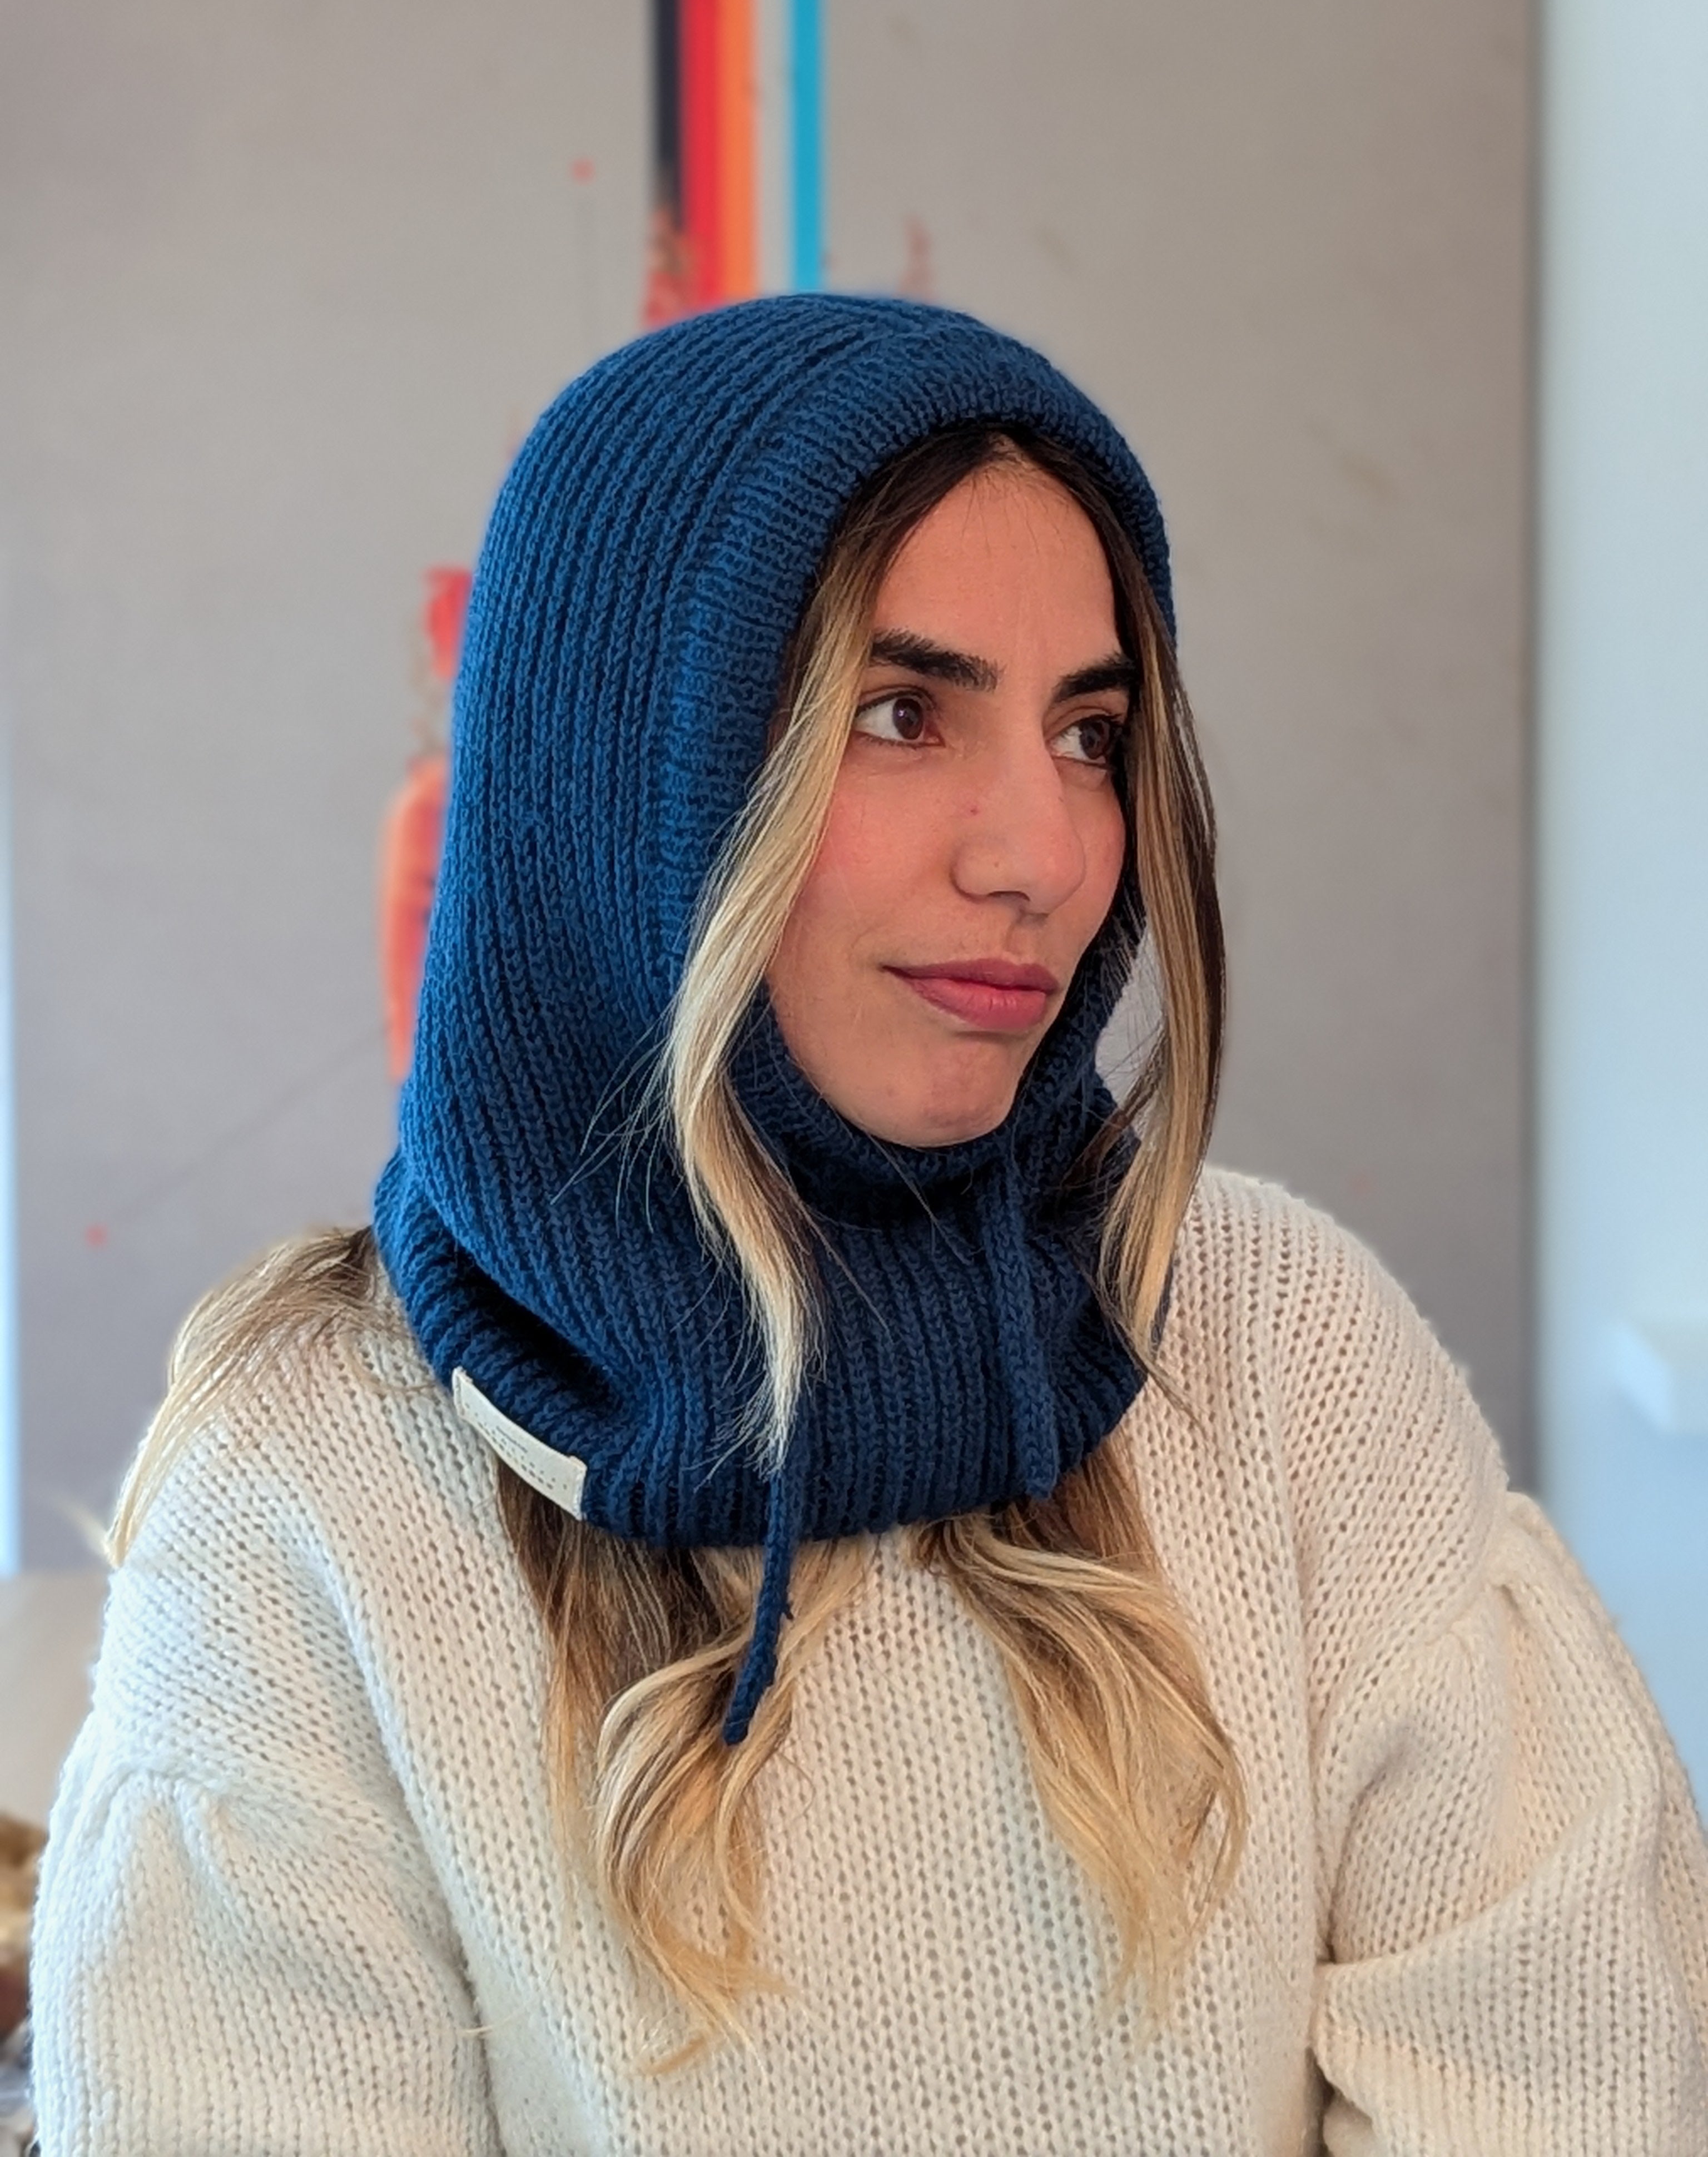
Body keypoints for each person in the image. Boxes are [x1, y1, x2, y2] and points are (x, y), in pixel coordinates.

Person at [31, 296, 1708, 2153]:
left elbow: (1565, 2089)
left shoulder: (1277, 1344)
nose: (1044, 854)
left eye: (1091, 733)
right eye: (902, 713)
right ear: (625, 767)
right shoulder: (313, 1490)